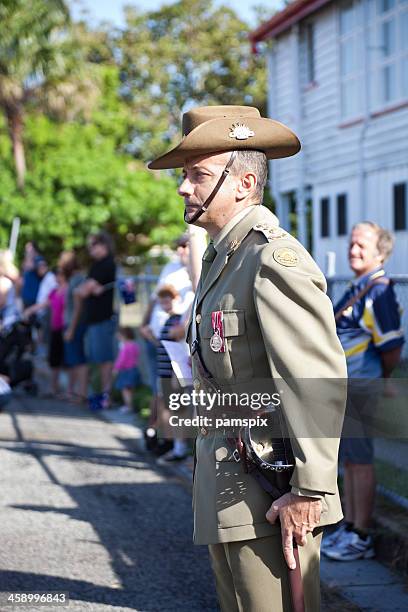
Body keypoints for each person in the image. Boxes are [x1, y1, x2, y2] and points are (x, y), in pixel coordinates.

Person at [148, 105, 347, 611]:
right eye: (185, 175)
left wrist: (309, 489)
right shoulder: (224, 256)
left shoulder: (269, 259)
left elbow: (316, 379)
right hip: (232, 481)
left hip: (274, 490)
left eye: (197, 175)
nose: (183, 187)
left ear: (243, 183)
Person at [323, 222, 404, 561]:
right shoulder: (360, 286)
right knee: (351, 461)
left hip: (361, 386)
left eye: (361, 246)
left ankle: (361, 534)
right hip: (347, 386)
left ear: (380, 253)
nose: (353, 250)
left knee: (360, 459)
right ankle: (350, 525)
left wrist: (381, 379)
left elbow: (392, 345)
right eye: (352, 243)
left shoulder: (379, 290)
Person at [69, 232, 116, 408]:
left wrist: (88, 288)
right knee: (96, 359)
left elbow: (82, 291)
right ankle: (99, 393)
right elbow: (81, 290)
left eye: (93, 246)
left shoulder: (106, 264)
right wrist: (87, 288)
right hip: (94, 320)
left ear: (103, 245)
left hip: (103, 319)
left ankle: (106, 395)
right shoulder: (96, 265)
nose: (91, 250)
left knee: (104, 359)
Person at [60, 251, 88, 403]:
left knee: (79, 360)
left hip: (75, 324)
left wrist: (71, 328)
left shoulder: (78, 279)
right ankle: (71, 391)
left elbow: (78, 307)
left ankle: (81, 393)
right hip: (68, 323)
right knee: (71, 360)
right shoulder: (71, 279)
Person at [47, 268, 67, 397]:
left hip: (64, 328)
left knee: (64, 358)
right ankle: (53, 387)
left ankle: (66, 389)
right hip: (54, 328)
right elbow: (46, 303)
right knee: (54, 359)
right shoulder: (54, 291)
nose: (56, 278)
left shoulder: (67, 291)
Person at [113, 326, 141, 413]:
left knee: (125, 390)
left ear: (124, 335)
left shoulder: (125, 346)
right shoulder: (135, 345)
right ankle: (130, 405)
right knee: (131, 390)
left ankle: (128, 406)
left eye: (119, 335)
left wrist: (116, 368)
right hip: (133, 369)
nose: (118, 337)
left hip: (125, 370)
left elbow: (121, 359)